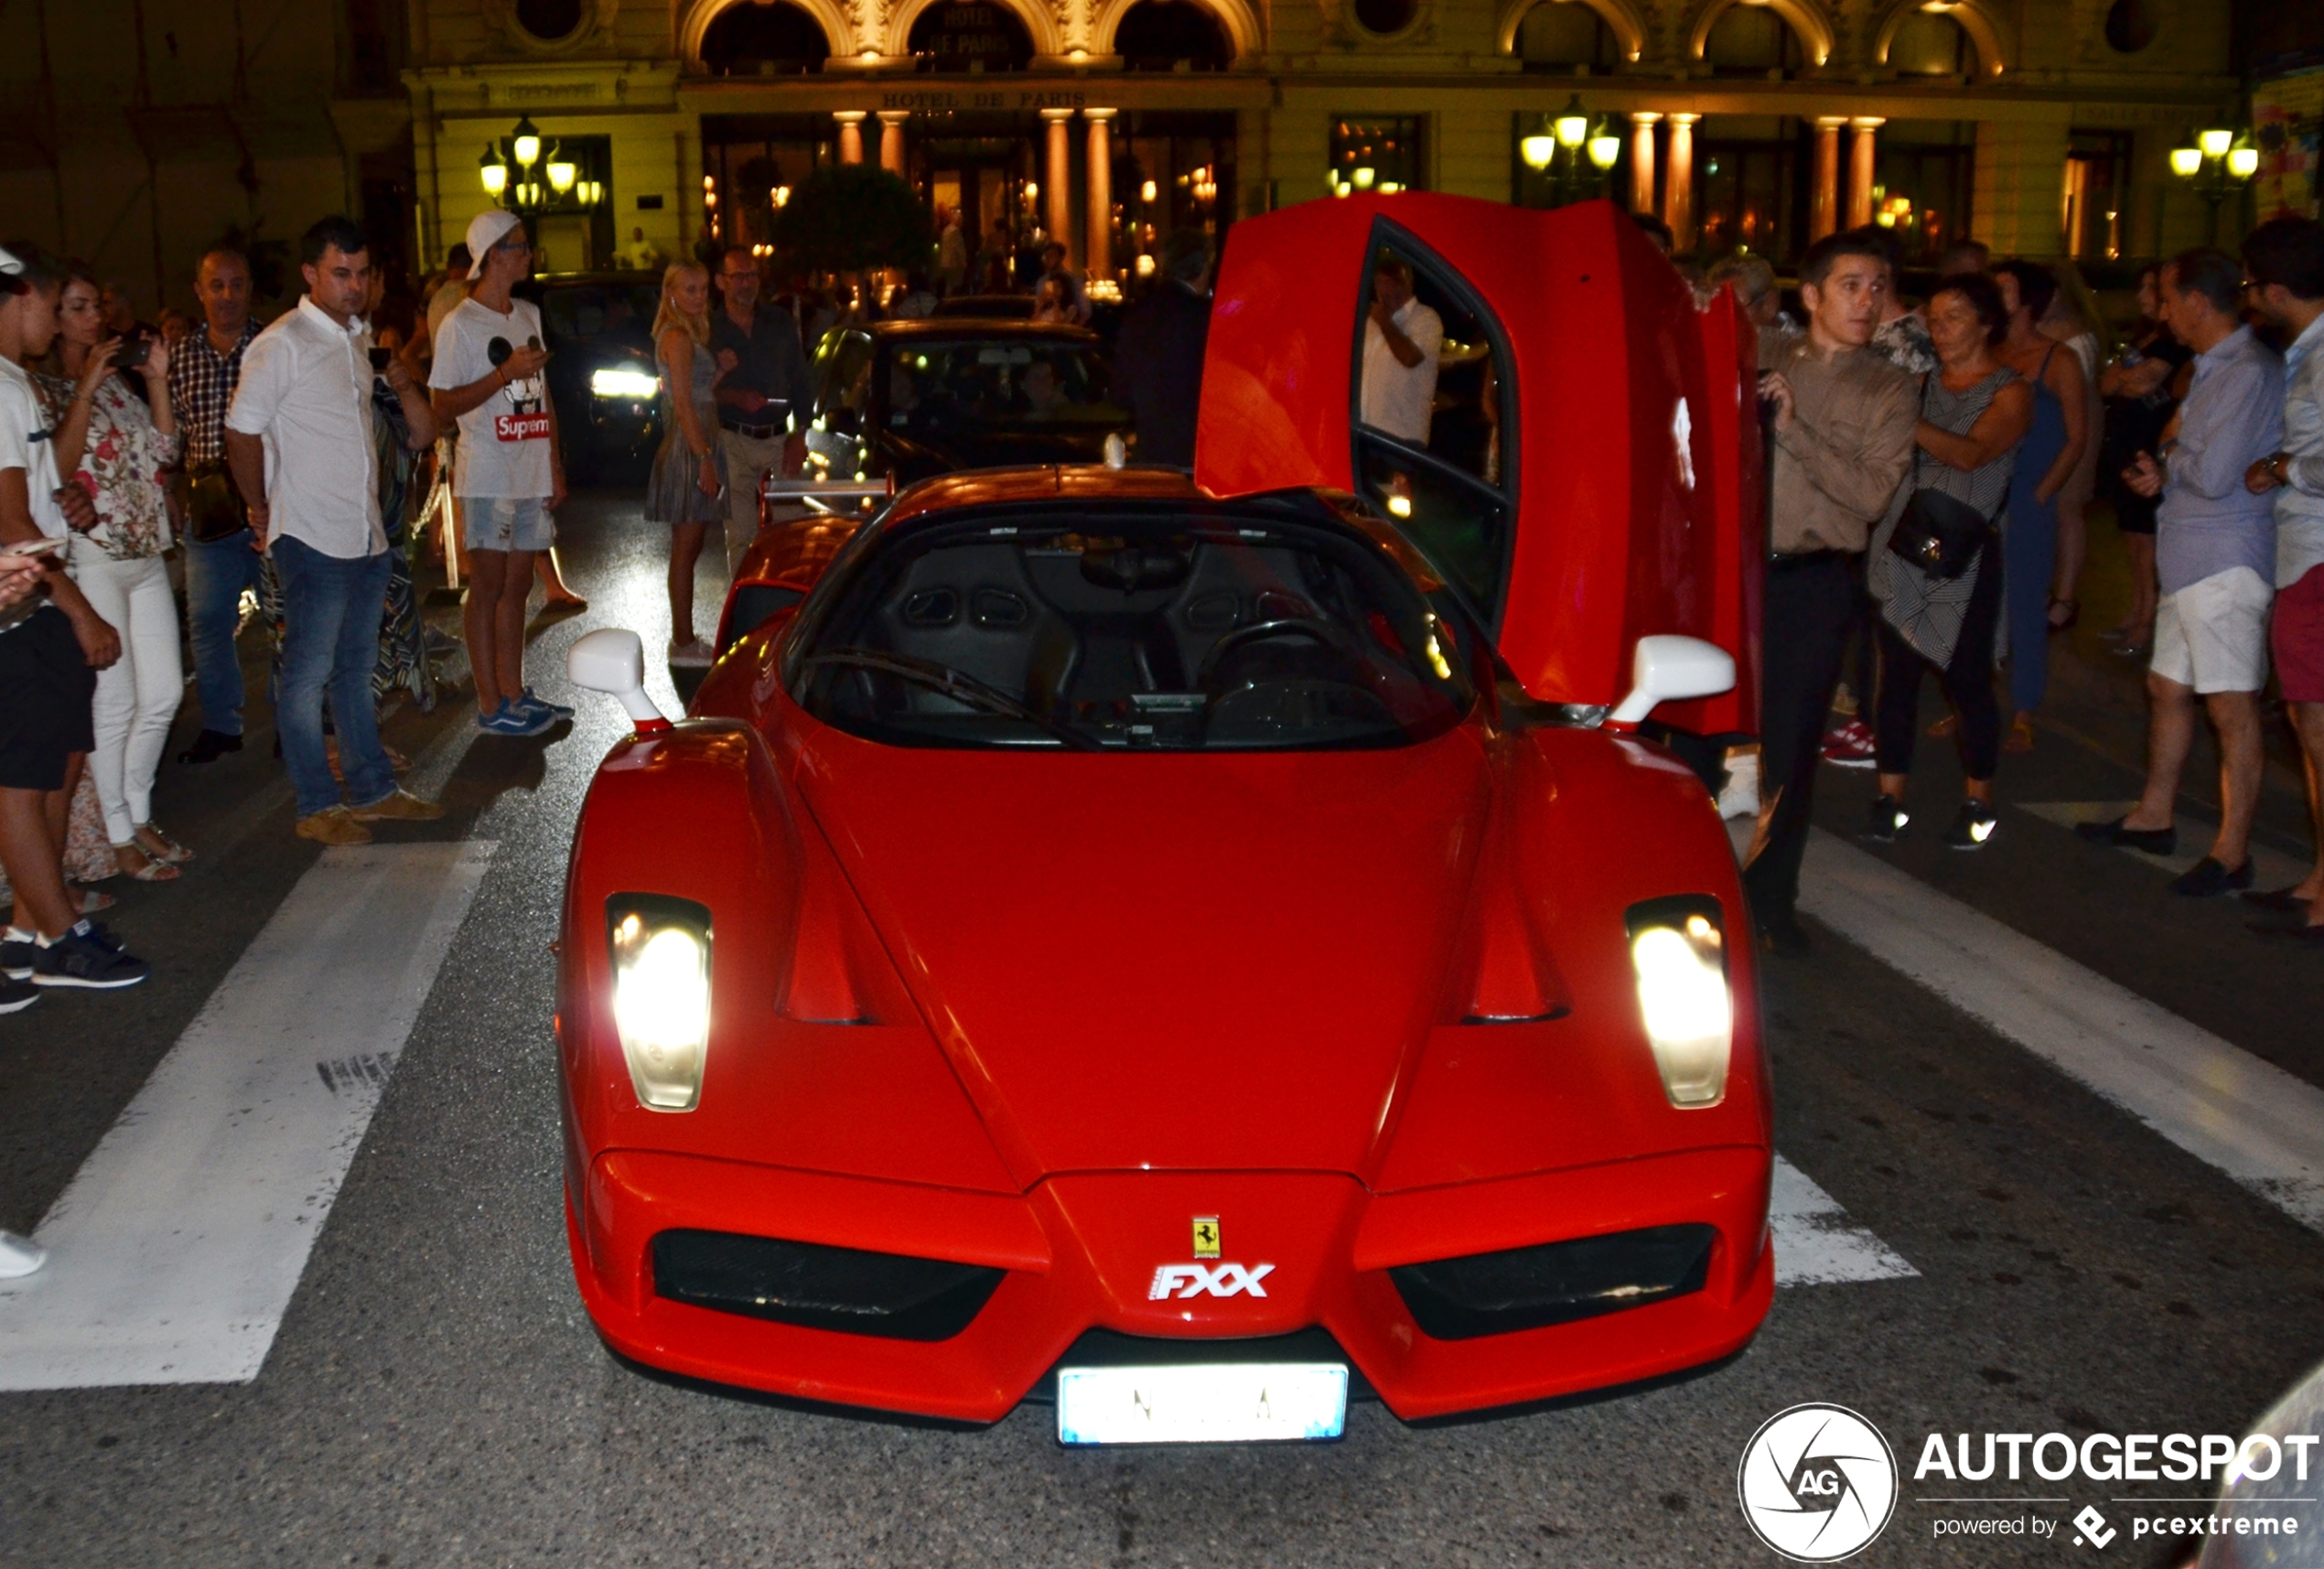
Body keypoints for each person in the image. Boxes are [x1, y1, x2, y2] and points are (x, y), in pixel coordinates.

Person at [223, 216, 447, 845]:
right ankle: (316, 804)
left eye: (362, 273)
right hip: (312, 538)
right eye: (340, 273)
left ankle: (372, 788)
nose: (354, 286)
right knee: (307, 675)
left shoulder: (355, 338)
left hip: (366, 536)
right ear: (311, 274)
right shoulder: (282, 342)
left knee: (354, 670)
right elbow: (241, 430)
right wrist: (258, 505)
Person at [2078, 248, 2284, 897]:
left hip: (2224, 558)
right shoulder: (2214, 366)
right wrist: (2170, 463)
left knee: (2230, 705)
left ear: (2198, 301)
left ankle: (2232, 852)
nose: (2164, 312)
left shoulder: (2246, 370)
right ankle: (2154, 816)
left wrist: (2169, 452)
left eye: (2168, 299)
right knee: (2168, 688)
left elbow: (2216, 471)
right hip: (2190, 551)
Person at [1741, 232, 1918, 954]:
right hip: (1738, 569)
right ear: (1810, 295)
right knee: (1705, 731)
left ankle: (1769, 905)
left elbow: (1872, 494)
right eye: (1851, 284)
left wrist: (1794, 432)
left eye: (1878, 286)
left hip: (1814, 581)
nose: (1867, 300)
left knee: (1787, 746)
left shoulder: (1890, 387)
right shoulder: (1761, 352)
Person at [0, 239, 150, 994]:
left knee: (53, 769)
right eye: (52, 304)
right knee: (25, 784)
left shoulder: (13, 385)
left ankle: (27, 932)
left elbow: (33, 499)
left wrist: (60, 504)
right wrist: (77, 605)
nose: (55, 320)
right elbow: (7, 523)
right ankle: (59, 937)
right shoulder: (4, 386)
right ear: (22, 295)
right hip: (23, 607)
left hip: (33, 599)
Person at [1863, 273, 2033, 849]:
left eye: (1955, 316)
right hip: (1904, 544)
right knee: (1897, 680)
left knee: (1967, 682)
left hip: (1962, 554)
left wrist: (1904, 420)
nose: (1940, 328)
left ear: (1987, 323)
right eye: (1934, 317)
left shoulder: (2009, 391)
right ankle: (1890, 796)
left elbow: (1973, 453)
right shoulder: (1915, 383)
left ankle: (1978, 801)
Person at [38, 263, 188, 883]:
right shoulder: (43, 390)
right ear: (54, 319)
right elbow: (55, 471)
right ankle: (120, 833)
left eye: (95, 305)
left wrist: (155, 383)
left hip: (146, 550)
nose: (93, 317)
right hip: (92, 556)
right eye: (76, 307)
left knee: (165, 694)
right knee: (117, 700)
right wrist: (83, 388)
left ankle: (136, 813)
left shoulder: (123, 385)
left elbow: (166, 455)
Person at [427, 210, 571, 736]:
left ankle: (513, 690)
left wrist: (554, 461)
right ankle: (490, 705)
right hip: (487, 470)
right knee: (487, 586)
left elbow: (542, 393)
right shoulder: (459, 324)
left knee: (518, 586)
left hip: (529, 467)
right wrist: (502, 374)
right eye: (520, 246)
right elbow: (442, 405)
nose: (529, 255)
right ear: (494, 256)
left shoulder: (528, 314)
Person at [2238, 217, 2324, 941]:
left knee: (2319, 725)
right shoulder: (2306, 351)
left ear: (2273, 288)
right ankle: (2320, 880)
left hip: (2320, 556)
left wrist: (2281, 469)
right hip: (2304, 554)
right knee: (2306, 722)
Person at [169, 247, 264, 763]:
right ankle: (221, 725)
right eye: (217, 285)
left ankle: (292, 720)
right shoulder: (181, 356)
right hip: (208, 513)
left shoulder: (271, 348)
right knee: (206, 620)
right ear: (199, 290)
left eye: (237, 284)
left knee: (283, 619)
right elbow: (175, 435)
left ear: (250, 289)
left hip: (268, 504)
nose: (227, 296)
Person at [1988, 260, 2087, 750]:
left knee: (2026, 600)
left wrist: (2045, 491)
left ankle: (2024, 706)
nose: (1993, 297)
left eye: (2003, 290)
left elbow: (2077, 436)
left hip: (2028, 493)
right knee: (1975, 600)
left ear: (2028, 301)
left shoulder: (2058, 359)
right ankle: (1976, 700)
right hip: (1984, 489)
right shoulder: (1988, 351)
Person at [2097, 263, 2192, 653]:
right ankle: (2137, 609)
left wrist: (2124, 379)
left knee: (2146, 537)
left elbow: (2141, 383)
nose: (2142, 298)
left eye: (2150, 290)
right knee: (2133, 537)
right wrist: (2123, 379)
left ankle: (2147, 619)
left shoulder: (2173, 343)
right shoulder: (2146, 337)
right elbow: (2109, 382)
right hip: (2125, 441)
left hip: (2149, 442)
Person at [708, 245, 812, 572]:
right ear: (720, 282)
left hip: (777, 440)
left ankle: (791, 604)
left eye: (751, 275)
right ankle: (743, 609)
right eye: (737, 276)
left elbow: (801, 378)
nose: (746, 283)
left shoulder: (778, 322)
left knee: (791, 527)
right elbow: (697, 393)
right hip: (733, 438)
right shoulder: (709, 330)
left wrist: (801, 434)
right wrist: (734, 396)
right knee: (739, 534)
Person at [644, 261, 727, 665]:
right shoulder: (676, 336)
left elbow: (695, 393)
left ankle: (684, 639)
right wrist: (705, 459)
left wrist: (719, 372)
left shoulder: (682, 333)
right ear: (671, 292)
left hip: (696, 437)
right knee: (686, 546)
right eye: (689, 289)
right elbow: (682, 403)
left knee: (689, 546)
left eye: (702, 289)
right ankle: (682, 641)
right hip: (691, 443)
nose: (698, 296)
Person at [2040, 262, 2110, 631]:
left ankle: (2065, 599)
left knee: (2067, 509)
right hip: (2041, 428)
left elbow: (2074, 392)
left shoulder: (2079, 336)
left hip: (2073, 426)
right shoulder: (2034, 328)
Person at [1113, 229, 1213, 468]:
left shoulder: (1139, 313)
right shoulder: (1204, 318)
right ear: (1200, 269)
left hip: (1150, 451)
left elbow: (1121, 391)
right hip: (1195, 454)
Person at [1360, 257, 1444, 447]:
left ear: (1410, 283)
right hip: (1365, 433)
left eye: (1397, 282)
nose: (1390, 290)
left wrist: (1385, 324)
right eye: (1384, 283)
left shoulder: (1425, 318)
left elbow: (1410, 357)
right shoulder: (1371, 324)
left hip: (1402, 440)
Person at [1035, 242, 1091, 325]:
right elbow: (1037, 309)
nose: (1049, 259)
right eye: (1047, 256)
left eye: (1052, 255)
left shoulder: (1074, 280)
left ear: (1061, 257)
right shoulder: (1042, 282)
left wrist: (1074, 332)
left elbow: (1085, 311)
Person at [935, 208, 969, 297]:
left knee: (949, 285)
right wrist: (963, 262)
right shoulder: (955, 232)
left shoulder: (946, 230)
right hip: (954, 264)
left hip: (945, 263)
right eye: (961, 221)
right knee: (955, 285)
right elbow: (957, 249)